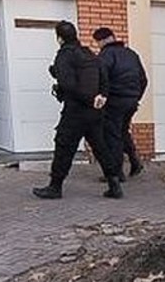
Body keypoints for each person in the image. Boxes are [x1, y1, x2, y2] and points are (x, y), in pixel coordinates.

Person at [32, 21, 123, 200]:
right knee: (100, 147)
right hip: (95, 111)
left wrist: (87, 98)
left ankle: (55, 187)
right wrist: (101, 96)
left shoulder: (64, 55)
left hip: (76, 110)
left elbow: (68, 84)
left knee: (64, 147)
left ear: (59, 38)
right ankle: (114, 184)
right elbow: (103, 76)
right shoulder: (88, 53)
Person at [93, 27, 148, 181]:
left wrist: (101, 97)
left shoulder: (105, 55)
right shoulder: (132, 54)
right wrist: (136, 98)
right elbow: (143, 80)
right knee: (123, 132)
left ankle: (116, 173)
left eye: (97, 42)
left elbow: (101, 79)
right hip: (131, 102)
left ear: (101, 41)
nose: (98, 45)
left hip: (114, 102)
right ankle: (135, 162)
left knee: (113, 136)